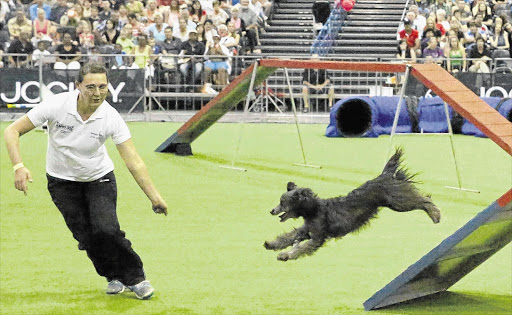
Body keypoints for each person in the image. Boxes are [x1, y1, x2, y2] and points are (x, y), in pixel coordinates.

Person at [3, 62, 168, 300]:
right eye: (90, 86)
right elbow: (12, 131)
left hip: (98, 179)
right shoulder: (57, 105)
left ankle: (136, 278)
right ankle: (112, 275)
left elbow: (134, 161)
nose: (97, 93)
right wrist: (18, 166)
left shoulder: (110, 116)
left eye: (102, 86)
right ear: (77, 86)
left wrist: (154, 197)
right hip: (61, 182)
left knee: (107, 230)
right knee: (86, 237)